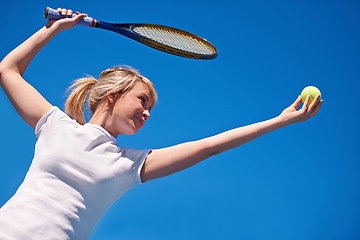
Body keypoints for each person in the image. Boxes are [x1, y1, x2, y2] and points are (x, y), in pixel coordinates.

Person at [0, 8, 322, 240]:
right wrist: (53, 29)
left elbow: (209, 146)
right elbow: (8, 71)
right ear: (113, 94)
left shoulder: (129, 165)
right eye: (143, 101)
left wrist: (279, 121)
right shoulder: (55, 126)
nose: (148, 114)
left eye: (150, 107)